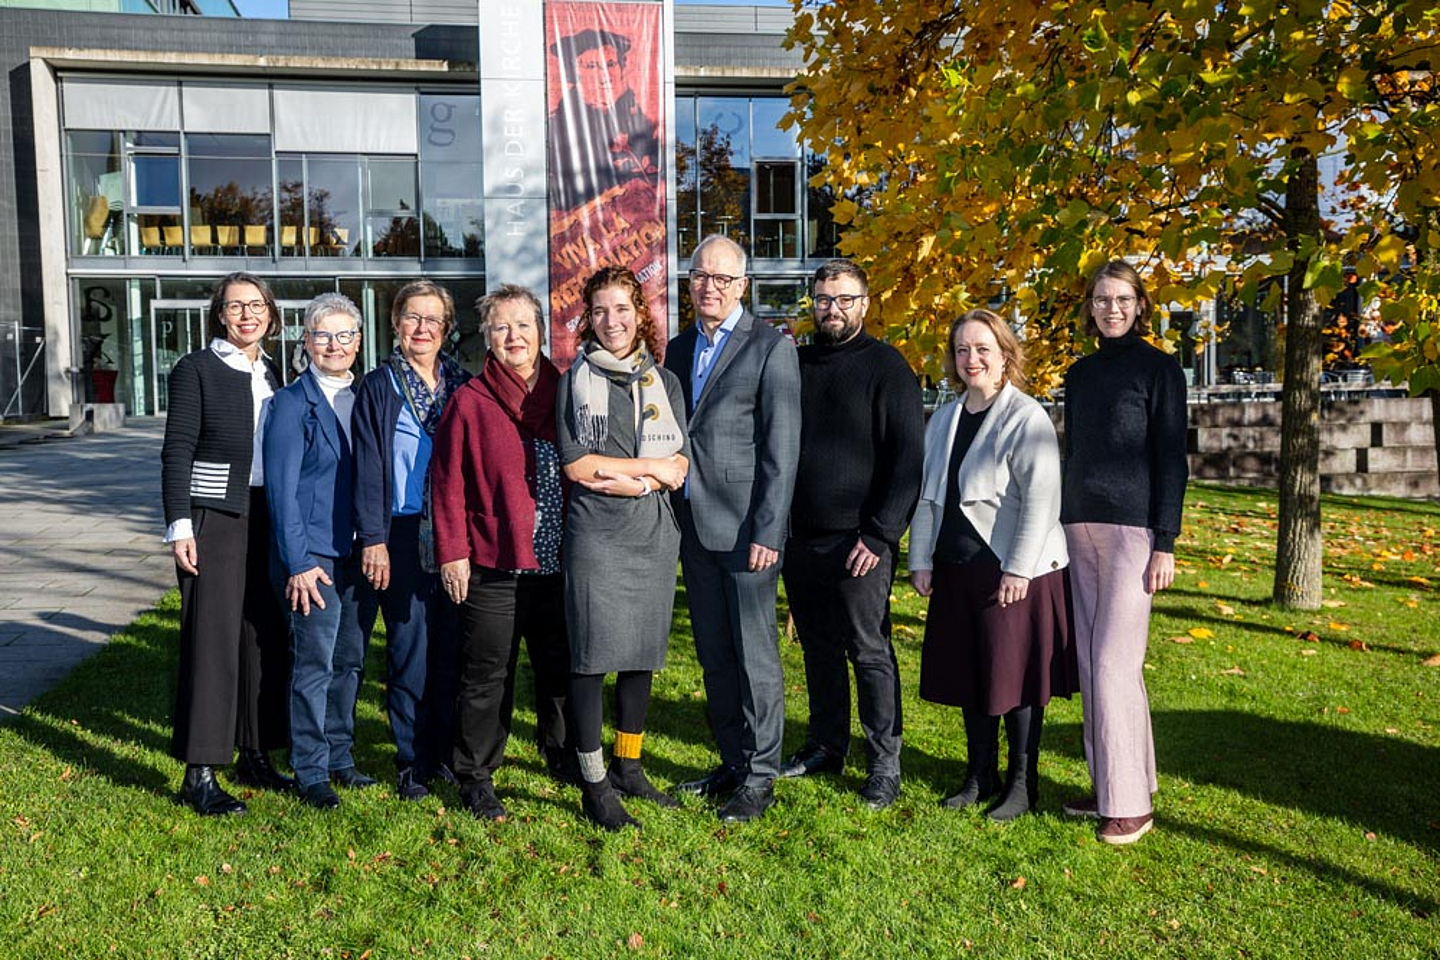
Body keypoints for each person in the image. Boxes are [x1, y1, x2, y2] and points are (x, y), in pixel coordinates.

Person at [910, 309, 1077, 822]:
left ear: (1006, 355)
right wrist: (920, 558)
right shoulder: (945, 417)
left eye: (983, 349)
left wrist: (1018, 570)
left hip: (1014, 569)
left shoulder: (1026, 417)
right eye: (962, 350)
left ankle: (1021, 785)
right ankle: (978, 774)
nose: (971, 359)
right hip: (958, 569)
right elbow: (929, 496)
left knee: (1019, 681)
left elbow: (1042, 501)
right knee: (971, 675)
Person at [664, 235, 801, 823]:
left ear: (743, 285)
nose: (710, 287)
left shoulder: (771, 349)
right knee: (715, 655)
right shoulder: (676, 347)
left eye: (722, 278)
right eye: (700, 276)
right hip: (693, 524)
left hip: (748, 531)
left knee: (755, 657)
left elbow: (781, 450)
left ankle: (762, 774)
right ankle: (731, 760)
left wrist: (769, 530)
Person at [779, 259, 923, 811]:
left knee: (868, 650)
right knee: (817, 648)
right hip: (802, 538)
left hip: (860, 542)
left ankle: (884, 760)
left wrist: (881, 534)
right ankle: (825, 745)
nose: (831, 309)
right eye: (823, 299)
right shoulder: (798, 364)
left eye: (843, 299)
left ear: (865, 303)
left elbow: (907, 460)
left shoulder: (888, 367)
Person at [431, 285, 575, 823]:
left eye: (523, 325)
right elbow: (446, 483)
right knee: (487, 671)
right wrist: (453, 553)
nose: (514, 336)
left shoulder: (565, 391)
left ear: (541, 330)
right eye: (501, 328)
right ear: (487, 339)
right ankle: (475, 773)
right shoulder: (471, 401)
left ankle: (559, 751)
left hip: (559, 560)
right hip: (494, 561)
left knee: (558, 666)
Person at [1060, 261, 1188, 844]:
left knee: (1115, 663)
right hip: (1077, 526)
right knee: (1093, 664)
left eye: (1122, 298)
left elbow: (1172, 460)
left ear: (1140, 304)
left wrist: (1165, 542)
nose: (1111, 308)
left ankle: (1131, 805)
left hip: (1133, 533)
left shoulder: (1161, 370)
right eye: (1101, 299)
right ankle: (1111, 784)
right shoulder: (1079, 374)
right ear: (1089, 306)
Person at [557, 266, 689, 830]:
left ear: (640, 313)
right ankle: (593, 782)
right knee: (591, 658)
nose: (612, 321)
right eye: (600, 311)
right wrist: (648, 469)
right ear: (589, 317)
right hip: (596, 535)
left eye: (622, 309)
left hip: (650, 535)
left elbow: (680, 463)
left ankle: (629, 766)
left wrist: (644, 480)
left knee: (640, 655)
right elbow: (578, 465)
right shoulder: (575, 379)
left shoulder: (665, 381)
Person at [161, 271, 294, 816]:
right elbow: (176, 452)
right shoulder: (196, 369)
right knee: (212, 641)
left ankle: (254, 751)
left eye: (256, 304)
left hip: (269, 516)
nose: (247, 314)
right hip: (214, 516)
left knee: (262, 635)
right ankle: (200, 771)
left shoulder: (277, 372)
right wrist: (180, 527)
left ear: (270, 313)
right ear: (220, 312)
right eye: (236, 305)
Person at [353, 280, 471, 801]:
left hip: (452, 531)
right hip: (399, 534)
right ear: (396, 324)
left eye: (432, 320)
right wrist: (373, 539)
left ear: (446, 330)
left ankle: (442, 754)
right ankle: (409, 761)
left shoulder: (463, 385)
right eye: (412, 318)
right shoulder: (378, 387)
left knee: (451, 648)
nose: (422, 329)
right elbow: (368, 468)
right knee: (407, 649)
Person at [263, 293, 371, 810]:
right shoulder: (290, 403)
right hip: (314, 558)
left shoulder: (366, 396)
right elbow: (281, 492)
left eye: (344, 335)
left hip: (356, 553)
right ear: (306, 342)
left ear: (358, 342)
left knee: (349, 661)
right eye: (323, 335)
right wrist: (299, 563)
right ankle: (309, 767)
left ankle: (341, 756)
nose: (334, 345)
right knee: (314, 664)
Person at [547, 28, 660, 211]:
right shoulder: (556, 128)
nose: (604, 76)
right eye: (592, 66)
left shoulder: (645, 126)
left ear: (622, 68)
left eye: (610, 64)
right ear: (574, 74)